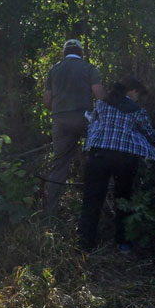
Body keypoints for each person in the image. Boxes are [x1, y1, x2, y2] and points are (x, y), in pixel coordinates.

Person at [78, 76, 155, 252]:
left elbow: (92, 123)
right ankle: (123, 243)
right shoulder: (136, 109)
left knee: (92, 200)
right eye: (139, 94)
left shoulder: (102, 104)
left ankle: (85, 244)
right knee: (123, 198)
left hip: (98, 155)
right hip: (124, 159)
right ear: (133, 91)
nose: (139, 98)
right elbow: (150, 134)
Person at [43, 39, 106, 215]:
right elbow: (99, 95)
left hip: (60, 121)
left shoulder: (54, 70)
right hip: (84, 119)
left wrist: (59, 113)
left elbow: (47, 101)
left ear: (64, 52)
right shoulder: (88, 68)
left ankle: (51, 212)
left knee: (59, 164)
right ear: (81, 52)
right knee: (96, 158)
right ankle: (95, 206)